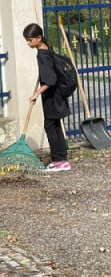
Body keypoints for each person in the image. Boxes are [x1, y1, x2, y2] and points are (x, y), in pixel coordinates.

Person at [23, 23, 70, 172]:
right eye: (27, 40)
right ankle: (63, 160)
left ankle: (56, 161)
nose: (28, 43)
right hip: (57, 96)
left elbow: (50, 80)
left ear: (39, 38)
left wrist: (36, 93)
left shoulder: (43, 55)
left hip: (52, 97)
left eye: (30, 40)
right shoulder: (47, 50)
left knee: (50, 126)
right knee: (56, 126)